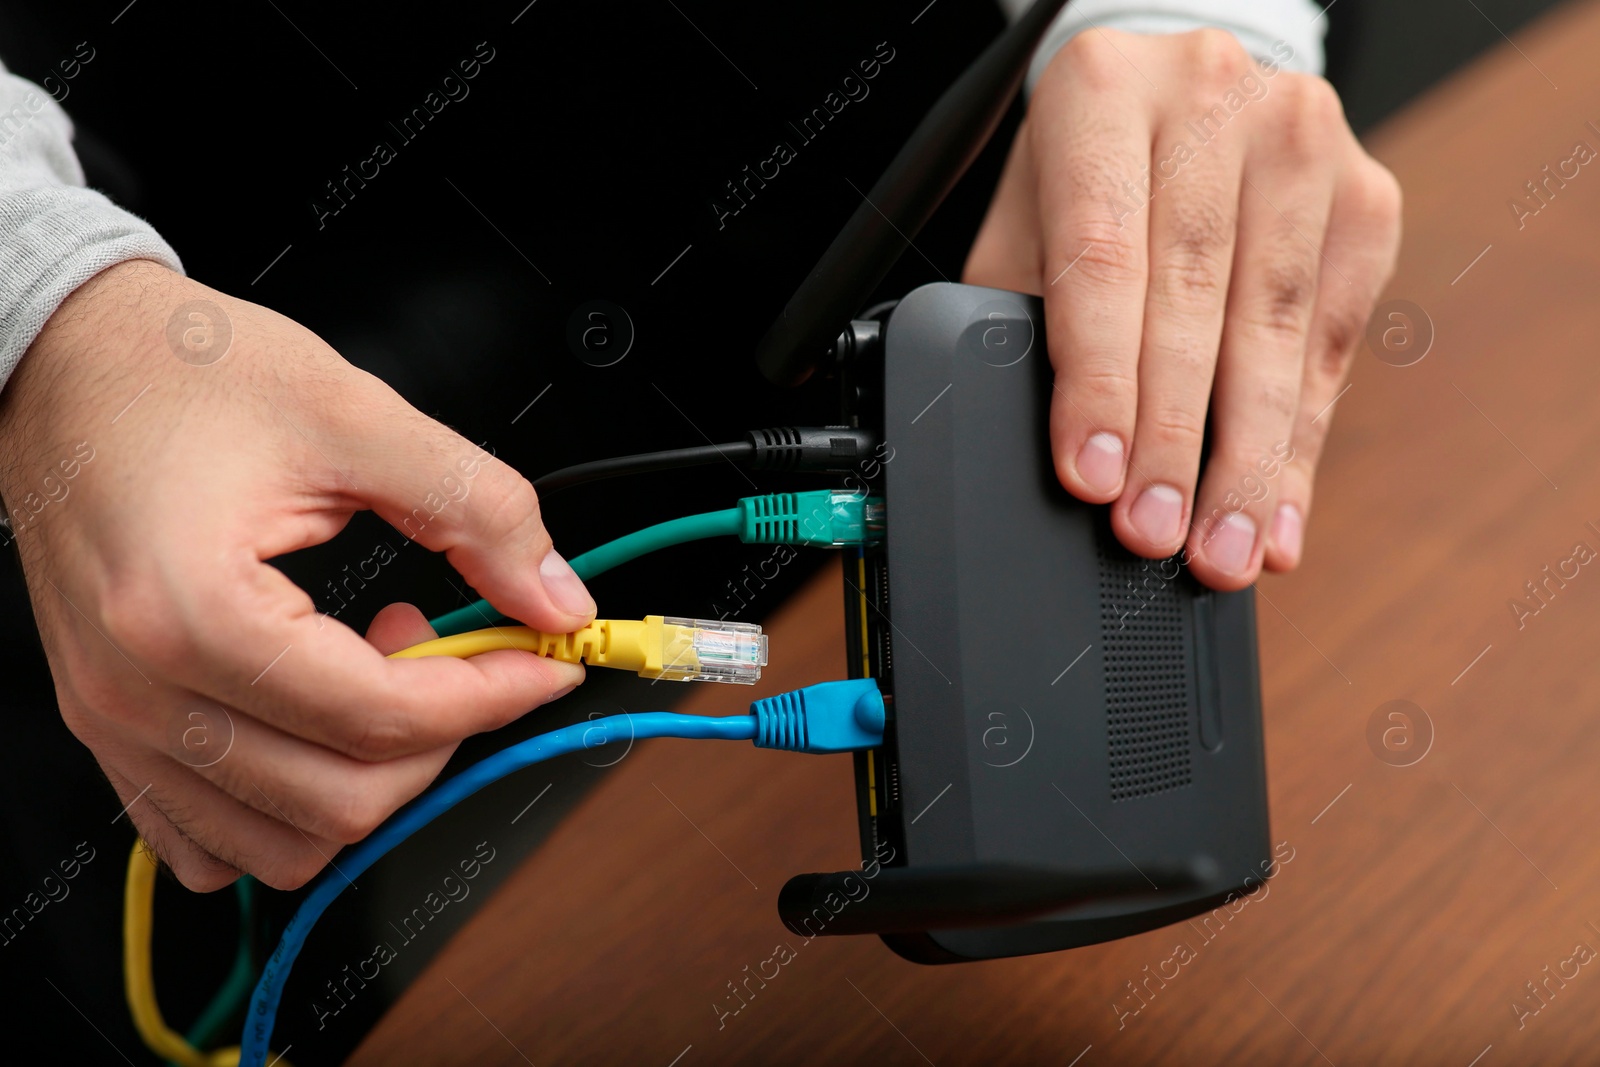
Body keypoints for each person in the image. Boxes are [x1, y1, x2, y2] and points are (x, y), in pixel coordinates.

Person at [0, 0, 1398, 894]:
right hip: (243, 198)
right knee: (206, 769)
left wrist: (1200, 12)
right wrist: (47, 299)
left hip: (934, 134)